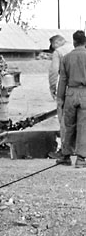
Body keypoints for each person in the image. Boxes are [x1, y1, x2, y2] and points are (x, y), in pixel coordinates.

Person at [56, 30, 86, 168]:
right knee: (83, 126)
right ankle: (81, 159)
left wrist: (60, 99)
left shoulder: (66, 57)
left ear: (74, 42)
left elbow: (62, 80)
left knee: (69, 126)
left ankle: (66, 156)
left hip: (71, 93)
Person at [47, 35, 74, 158]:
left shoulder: (59, 52)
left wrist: (53, 89)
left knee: (64, 121)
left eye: (52, 45)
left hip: (68, 90)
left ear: (57, 42)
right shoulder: (79, 47)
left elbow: (54, 72)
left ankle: (65, 151)